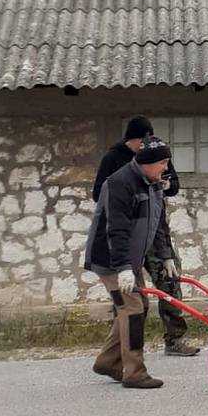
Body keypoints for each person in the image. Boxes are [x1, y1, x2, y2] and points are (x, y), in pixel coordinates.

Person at [92, 116, 198, 357]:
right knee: (129, 298)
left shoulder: (155, 155)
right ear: (135, 140)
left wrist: (162, 184)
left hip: (154, 228)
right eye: (143, 141)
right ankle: (119, 352)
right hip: (127, 234)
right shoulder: (114, 159)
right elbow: (99, 193)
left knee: (170, 281)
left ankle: (175, 339)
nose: (145, 147)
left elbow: (173, 185)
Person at [85, 136, 175, 389]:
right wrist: (123, 268)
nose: (165, 168)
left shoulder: (153, 182)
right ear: (148, 163)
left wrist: (165, 255)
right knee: (133, 308)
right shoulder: (119, 184)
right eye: (163, 163)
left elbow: (158, 222)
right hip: (110, 258)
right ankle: (134, 371)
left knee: (135, 306)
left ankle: (108, 361)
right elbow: (116, 231)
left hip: (129, 259)